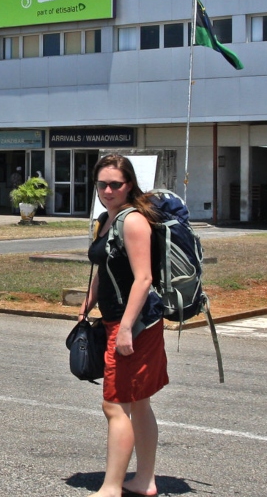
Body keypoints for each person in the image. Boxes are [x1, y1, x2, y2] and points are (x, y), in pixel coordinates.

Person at [78, 153, 167, 497]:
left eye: (116, 184)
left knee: (115, 405)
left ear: (129, 184)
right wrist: (88, 302)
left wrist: (126, 327)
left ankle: (112, 487)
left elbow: (143, 279)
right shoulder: (106, 220)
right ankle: (144, 481)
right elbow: (105, 268)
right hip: (117, 319)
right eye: (102, 184)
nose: (108, 190)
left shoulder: (133, 222)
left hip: (136, 323)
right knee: (139, 401)